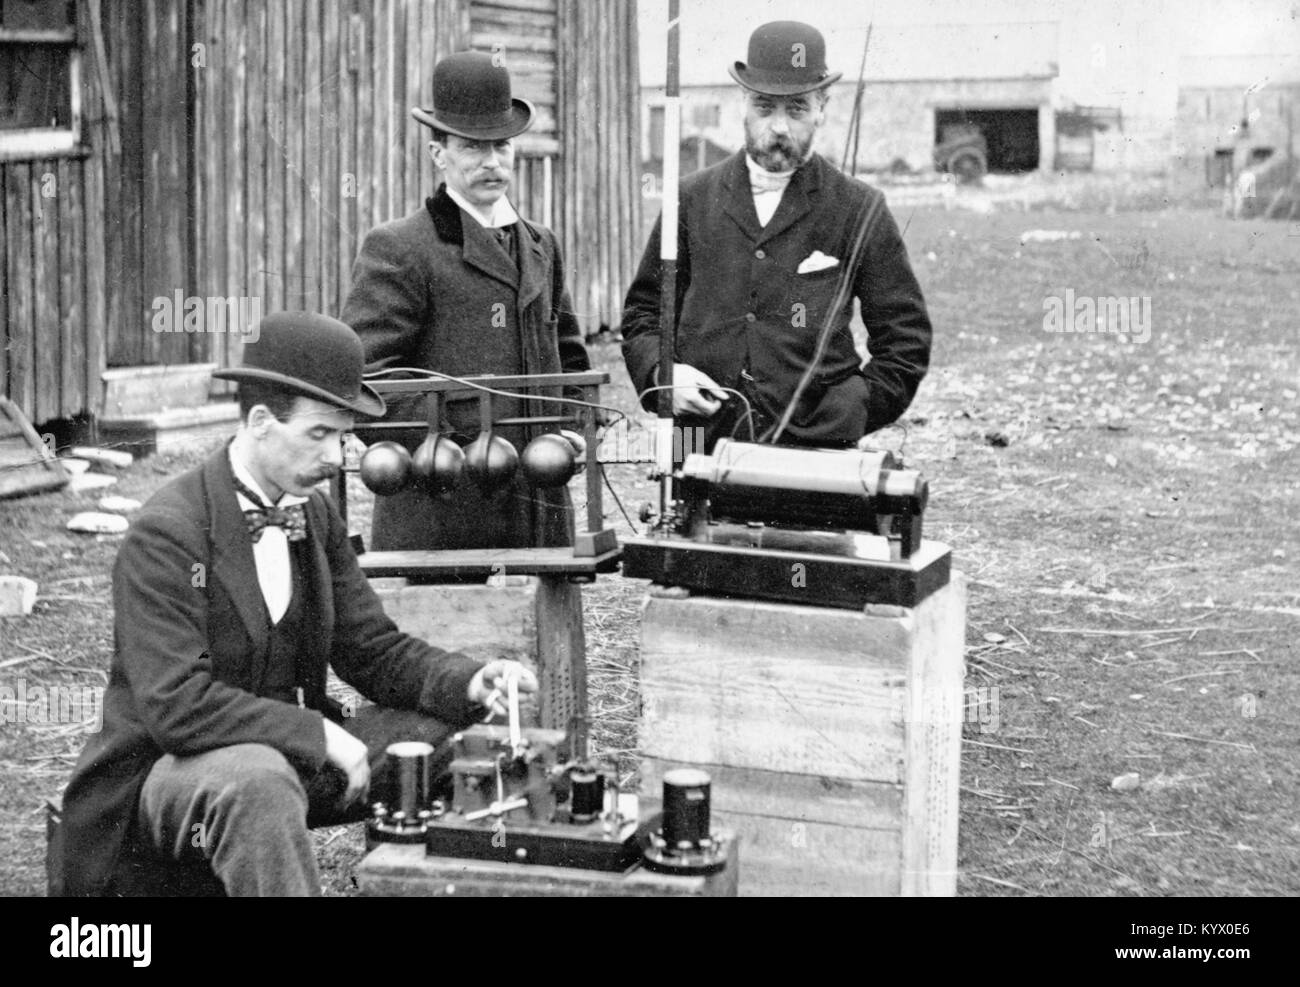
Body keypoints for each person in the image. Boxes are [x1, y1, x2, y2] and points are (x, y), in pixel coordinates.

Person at [49, 312, 536, 897]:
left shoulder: (311, 514)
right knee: (259, 780)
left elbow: (371, 649)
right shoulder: (167, 533)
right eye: (319, 433)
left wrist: (472, 681)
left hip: (279, 760)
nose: (339, 454)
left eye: (344, 433)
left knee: (432, 737)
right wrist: (320, 735)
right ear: (259, 422)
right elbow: (176, 706)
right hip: (160, 778)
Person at [621, 21, 932, 452]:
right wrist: (663, 376)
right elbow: (643, 314)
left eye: (797, 109)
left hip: (816, 450)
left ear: (822, 107)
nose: (780, 127)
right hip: (699, 442)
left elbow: (905, 339)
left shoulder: (860, 208)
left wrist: (850, 410)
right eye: (765, 108)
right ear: (743, 106)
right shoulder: (689, 200)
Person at [343, 51, 590, 551]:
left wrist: (570, 431)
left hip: (539, 509)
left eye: (502, 145)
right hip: (445, 512)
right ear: (440, 155)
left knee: (544, 629)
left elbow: (571, 358)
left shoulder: (541, 243)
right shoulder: (402, 247)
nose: (492, 162)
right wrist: (457, 444)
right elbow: (366, 383)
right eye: (473, 147)